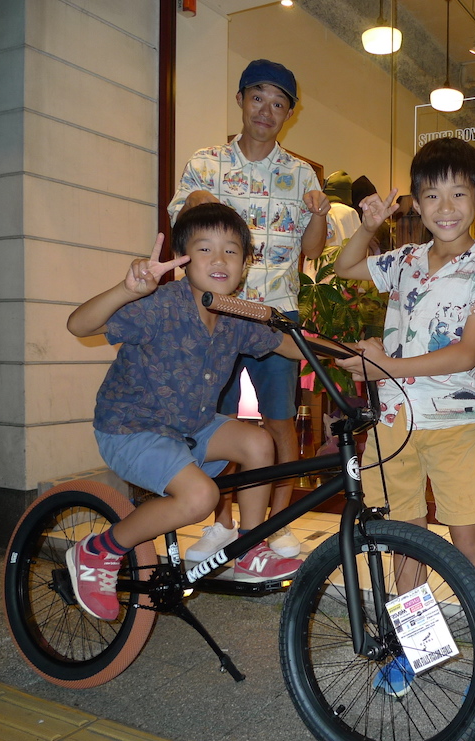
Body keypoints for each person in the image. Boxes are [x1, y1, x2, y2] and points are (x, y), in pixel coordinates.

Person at [64, 203, 305, 621]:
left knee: (257, 442)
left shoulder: (234, 314)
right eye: (205, 249)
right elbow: (78, 325)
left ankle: (249, 550)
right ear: (182, 258)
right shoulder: (158, 305)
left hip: (190, 426)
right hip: (132, 428)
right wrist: (127, 290)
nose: (219, 260)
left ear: (245, 264)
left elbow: (289, 344)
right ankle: (98, 551)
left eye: (231, 251)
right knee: (201, 497)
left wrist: (351, 356)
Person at [335, 137, 475, 694]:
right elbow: (344, 266)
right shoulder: (404, 260)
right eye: (432, 195)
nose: (446, 207)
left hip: (453, 420)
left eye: (459, 193)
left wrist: (387, 364)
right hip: (393, 422)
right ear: (416, 201)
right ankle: (420, 650)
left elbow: (465, 353)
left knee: (468, 535)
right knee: (403, 537)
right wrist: (368, 226)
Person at [168, 59, 330, 562]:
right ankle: (221, 525)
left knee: (281, 423)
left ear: (289, 114)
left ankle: (277, 524)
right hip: (215, 315)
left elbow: (313, 249)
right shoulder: (206, 162)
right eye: (258, 97)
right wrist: (196, 199)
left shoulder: (301, 174)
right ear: (241, 100)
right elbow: (180, 227)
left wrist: (319, 214)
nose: (266, 110)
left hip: (274, 316)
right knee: (215, 421)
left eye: (279, 103)